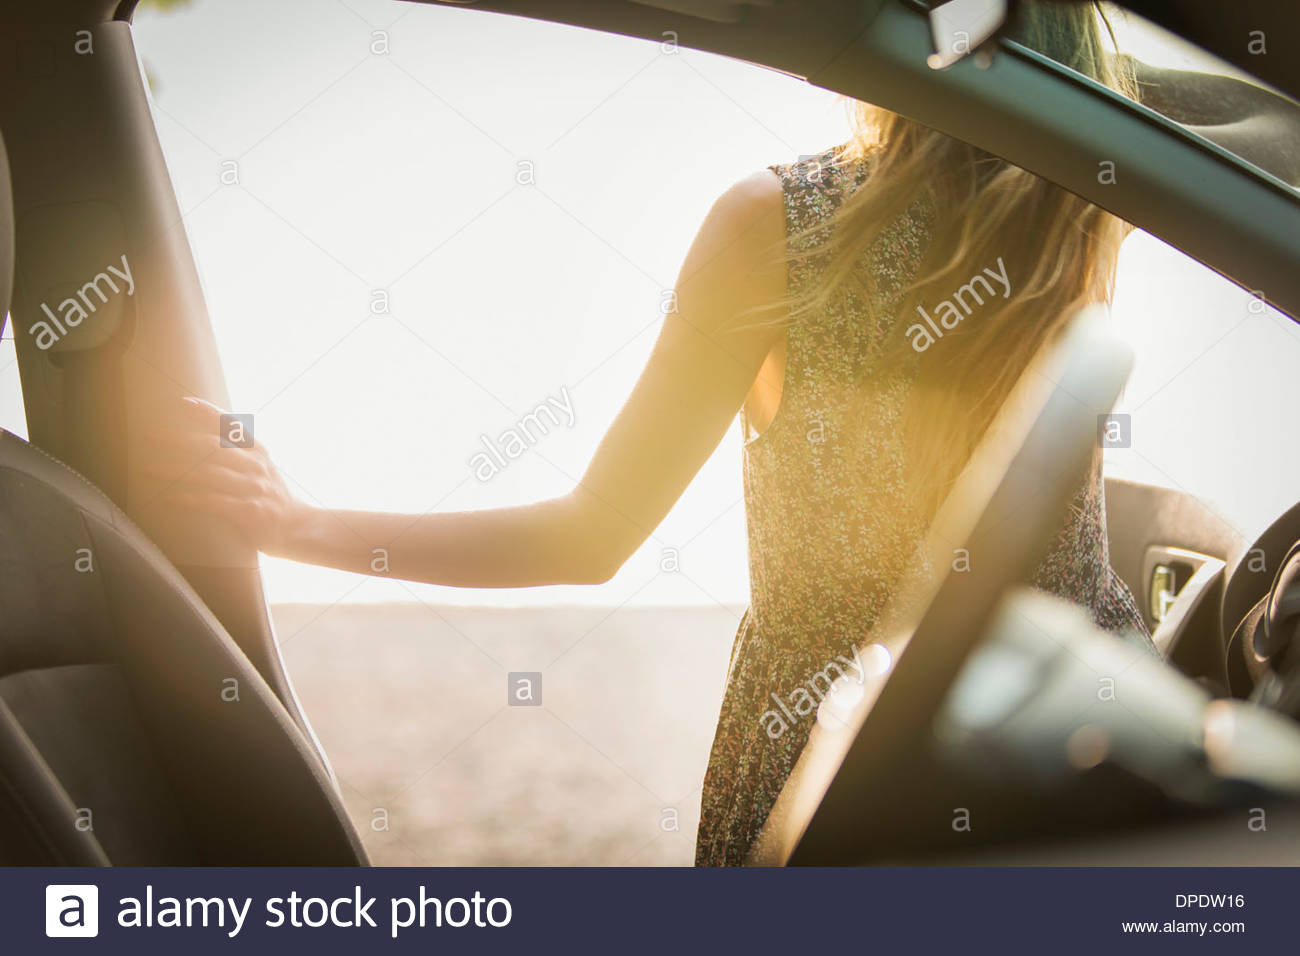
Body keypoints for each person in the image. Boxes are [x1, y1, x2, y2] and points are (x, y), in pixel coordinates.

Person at [155, 2, 1289, 866]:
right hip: (1086, 736)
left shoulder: (783, 225)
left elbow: (591, 535)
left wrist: (297, 524)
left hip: (832, 758)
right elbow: (1232, 117)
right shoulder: (1086, 208)